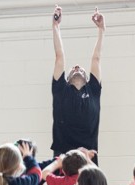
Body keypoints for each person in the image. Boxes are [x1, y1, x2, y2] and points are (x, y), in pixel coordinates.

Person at [50, 5, 105, 162]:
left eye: (80, 68)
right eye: (73, 68)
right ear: (67, 79)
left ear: (87, 78)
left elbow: (96, 58)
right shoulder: (61, 90)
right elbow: (59, 57)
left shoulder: (93, 90)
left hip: (88, 156)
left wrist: (101, 30)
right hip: (63, 156)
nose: (77, 67)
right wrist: (55, 26)